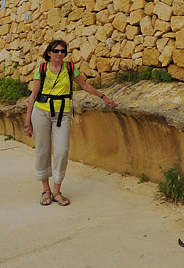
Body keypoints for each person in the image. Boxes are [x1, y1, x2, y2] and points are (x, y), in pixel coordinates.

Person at [24, 39, 117, 206]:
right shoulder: (42, 69)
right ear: (49, 53)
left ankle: (57, 190)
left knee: (61, 151)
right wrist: (27, 120)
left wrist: (104, 97)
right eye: (56, 50)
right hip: (41, 112)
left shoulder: (70, 68)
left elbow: (85, 85)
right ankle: (46, 190)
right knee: (43, 150)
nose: (60, 53)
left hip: (63, 113)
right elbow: (34, 94)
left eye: (63, 51)